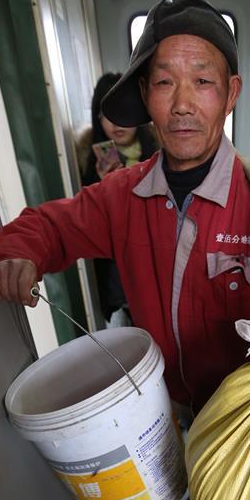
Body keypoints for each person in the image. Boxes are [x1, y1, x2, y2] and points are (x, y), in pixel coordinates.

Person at [0, 0, 250, 414]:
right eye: (164, 83)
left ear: (231, 93)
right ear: (145, 95)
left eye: (202, 82)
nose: (182, 105)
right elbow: (48, 227)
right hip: (162, 405)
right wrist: (18, 252)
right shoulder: (122, 195)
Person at [77, 73, 159, 324]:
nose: (117, 122)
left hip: (155, 252)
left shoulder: (161, 146)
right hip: (115, 264)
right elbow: (87, 220)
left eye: (125, 111)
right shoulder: (87, 156)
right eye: (107, 113)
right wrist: (102, 188)